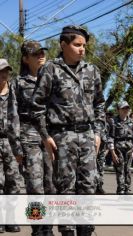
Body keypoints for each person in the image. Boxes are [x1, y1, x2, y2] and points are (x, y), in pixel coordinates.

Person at [30, 25, 106, 236]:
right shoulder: (51, 69)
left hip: (88, 135)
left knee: (89, 186)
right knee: (66, 188)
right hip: (62, 137)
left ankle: (86, 230)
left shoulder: (92, 70)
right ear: (63, 45)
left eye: (84, 46)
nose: (82, 49)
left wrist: (98, 132)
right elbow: (37, 106)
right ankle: (68, 231)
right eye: (77, 45)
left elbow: (100, 104)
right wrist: (46, 137)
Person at [12, 40, 56, 236]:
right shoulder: (18, 83)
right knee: (35, 188)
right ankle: (38, 229)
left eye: (42, 52)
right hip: (29, 138)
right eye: (35, 53)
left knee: (52, 187)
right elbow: (11, 116)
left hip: (51, 139)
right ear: (25, 59)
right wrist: (16, 147)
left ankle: (48, 228)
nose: (41, 55)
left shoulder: (52, 80)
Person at [0, 59, 22, 233]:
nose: (3, 74)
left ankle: (11, 218)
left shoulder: (15, 92)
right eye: (0, 71)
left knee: (14, 181)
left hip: (12, 141)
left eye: (6, 71)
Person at [108, 101, 133, 194]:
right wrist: (112, 152)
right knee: (120, 170)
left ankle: (127, 189)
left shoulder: (132, 122)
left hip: (129, 150)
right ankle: (120, 190)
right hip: (118, 149)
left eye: (127, 108)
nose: (126, 110)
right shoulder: (113, 121)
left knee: (127, 170)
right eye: (123, 108)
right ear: (118, 110)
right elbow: (110, 137)